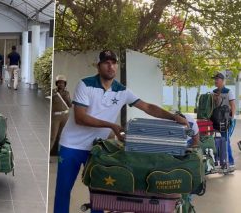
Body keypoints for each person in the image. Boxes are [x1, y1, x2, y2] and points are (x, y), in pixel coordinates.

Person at [53, 50, 189, 213]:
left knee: (99, 191)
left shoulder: (122, 91)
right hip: (72, 146)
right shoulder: (85, 84)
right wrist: (112, 126)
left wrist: (173, 117)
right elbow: (80, 118)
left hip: (97, 148)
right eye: (106, 62)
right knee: (63, 189)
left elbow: (147, 107)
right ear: (99, 66)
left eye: (113, 63)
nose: (110, 66)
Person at [212, 72, 236, 171]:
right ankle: (220, 161)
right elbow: (214, 106)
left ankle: (230, 162)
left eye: (217, 79)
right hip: (218, 120)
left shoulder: (228, 91)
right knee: (218, 140)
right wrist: (216, 97)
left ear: (222, 81)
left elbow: (233, 106)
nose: (215, 81)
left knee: (225, 140)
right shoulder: (214, 92)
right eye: (215, 79)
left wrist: (232, 118)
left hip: (228, 120)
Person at [50, 75, 72, 156]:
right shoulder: (53, 92)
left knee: (61, 136)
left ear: (65, 84)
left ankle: (56, 153)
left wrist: (67, 98)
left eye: (63, 83)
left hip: (65, 116)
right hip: (56, 116)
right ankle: (49, 153)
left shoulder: (67, 93)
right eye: (59, 83)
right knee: (53, 136)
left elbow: (70, 105)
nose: (61, 84)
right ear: (56, 83)